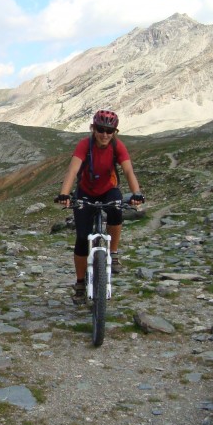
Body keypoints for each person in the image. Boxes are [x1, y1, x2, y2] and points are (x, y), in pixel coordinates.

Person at [55, 109, 145, 302]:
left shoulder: (117, 146)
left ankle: (113, 252)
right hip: (85, 192)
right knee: (81, 238)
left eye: (109, 131)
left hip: (108, 189)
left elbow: (128, 171)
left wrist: (136, 193)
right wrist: (64, 193)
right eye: (101, 129)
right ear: (93, 128)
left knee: (116, 209)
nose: (105, 134)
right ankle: (80, 284)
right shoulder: (84, 145)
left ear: (115, 132)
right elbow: (72, 170)